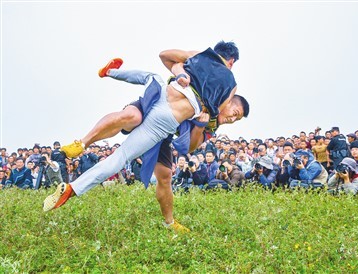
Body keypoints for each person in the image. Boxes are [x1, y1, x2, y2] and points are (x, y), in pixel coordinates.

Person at [44, 43, 249, 234]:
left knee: (163, 175)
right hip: (162, 115)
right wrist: (180, 74)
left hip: (164, 116)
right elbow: (171, 61)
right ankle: (81, 149)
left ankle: (168, 222)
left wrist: (181, 75)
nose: (233, 118)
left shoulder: (201, 65)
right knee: (128, 125)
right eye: (236, 113)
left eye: (237, 119)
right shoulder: (228, 86)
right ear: (231, 63)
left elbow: (191, 146)